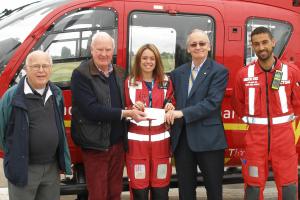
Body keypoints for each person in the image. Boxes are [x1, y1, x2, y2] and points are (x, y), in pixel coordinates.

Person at [70, 32, 146, 200]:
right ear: (91, 49)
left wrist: (134, 106)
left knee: (114, 193)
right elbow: (92, 110)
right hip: (95, 146)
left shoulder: (119, 72)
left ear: (113, 50)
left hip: (117, 145)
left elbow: (124, 100)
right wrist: (126, 112)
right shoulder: (80, 74)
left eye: (107, 49)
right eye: (99, 49)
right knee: (98, 195)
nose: (103, 54)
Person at [232, 26, 300, 200]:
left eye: (264, 42)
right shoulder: (243, 74)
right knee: (253, 185)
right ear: (252, 47)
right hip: (255, 141)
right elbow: (238, 105)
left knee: (288, 186)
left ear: (273, 42)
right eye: (256, 44)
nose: (261, 47)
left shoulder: (291, 72)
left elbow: (298, 103)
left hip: (284, 139)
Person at [165, 29, 229, 200]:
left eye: (202, 44)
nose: (198, 47)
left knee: (214, 190)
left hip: (209, 140)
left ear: (209, 47)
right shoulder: (178, 73)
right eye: (193, 44)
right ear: (188, 49)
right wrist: (169, 104)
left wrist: (181, 113)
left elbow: (211, 104)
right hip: (182, 139)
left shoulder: (219, 71)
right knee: (185, 191)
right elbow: (171, 97)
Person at [0, 50, 72, 200]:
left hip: (51, 169)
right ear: (26, 69)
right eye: (36, 66)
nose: (41, 70)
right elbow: (2, 133)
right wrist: (15, 154)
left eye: (45, 66)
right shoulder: (11, 97)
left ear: (51, 69)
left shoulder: (56, 94)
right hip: (23, 169)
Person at [124, 44, 175, 199]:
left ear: (157, 60)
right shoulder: (129, 82)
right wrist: (133, 108)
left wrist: (170, 106)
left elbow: (172, 102)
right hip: (136, 146)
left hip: (161, 146)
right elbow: (124, 109)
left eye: (152, 58)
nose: (148, 61)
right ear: (138, 60)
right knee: (139, 190)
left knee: (160, 189)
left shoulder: (166, 81)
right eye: (144, 58)